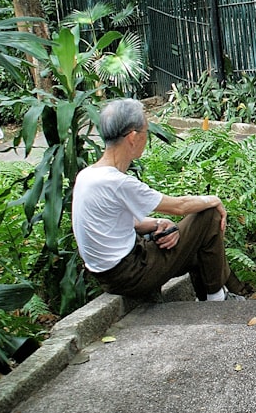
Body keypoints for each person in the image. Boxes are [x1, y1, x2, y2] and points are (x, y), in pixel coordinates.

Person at [72, 98, 244, 301]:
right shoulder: (116, 181)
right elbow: (180, 206)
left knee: (197, 243)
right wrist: (214, 199)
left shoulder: (87, 175)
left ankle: (213, 297)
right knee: (208, 214)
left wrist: (158, 224)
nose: (146, 138)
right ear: (133, 137)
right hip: (131, 274)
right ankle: (218, 299)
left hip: (110, 274)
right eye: (146, 132)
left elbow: (116, 225)